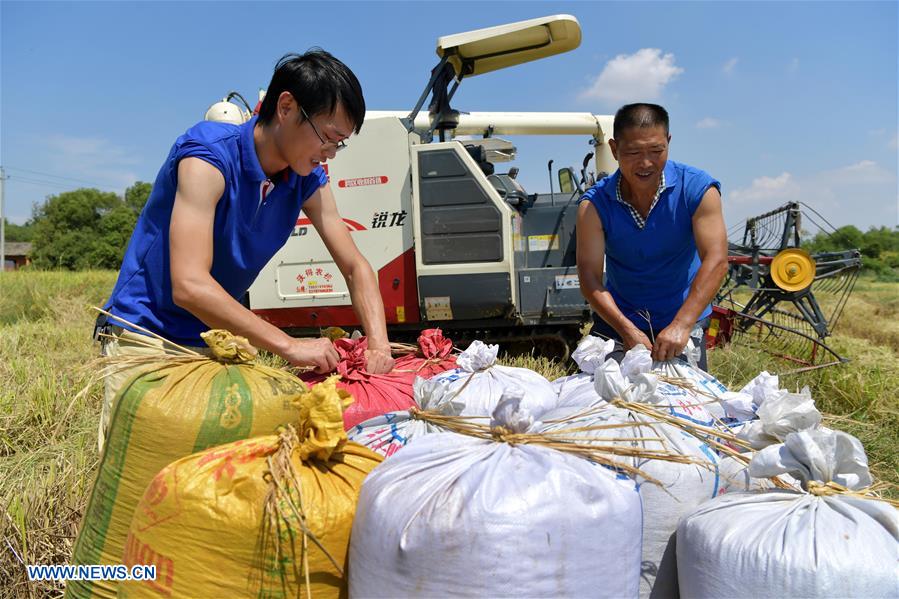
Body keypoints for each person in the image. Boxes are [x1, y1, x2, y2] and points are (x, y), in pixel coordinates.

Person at [95, 49, 395, 449]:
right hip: (147, 335)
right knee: (141, 467)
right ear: (286, 107)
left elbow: (355, 266)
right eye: (327, 137)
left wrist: (378, 344)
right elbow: (189, 285)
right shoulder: (208, 156)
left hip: (212, 341)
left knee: (211, 470)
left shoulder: (306, 179)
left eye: (340, 144)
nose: (330, 152)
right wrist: (289, 345)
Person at [576, 103, 728, 370]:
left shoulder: (697, 189)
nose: (646, 163)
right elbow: (589, 277)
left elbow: (716, 260)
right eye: (633, 152)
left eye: (657, 151)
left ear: (668, 142)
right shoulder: (594, 206)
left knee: (684, 393)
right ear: (614, 149)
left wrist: (682, 324)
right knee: (603, 392)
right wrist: (627, 330)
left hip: (683, 317)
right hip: (618, 320)